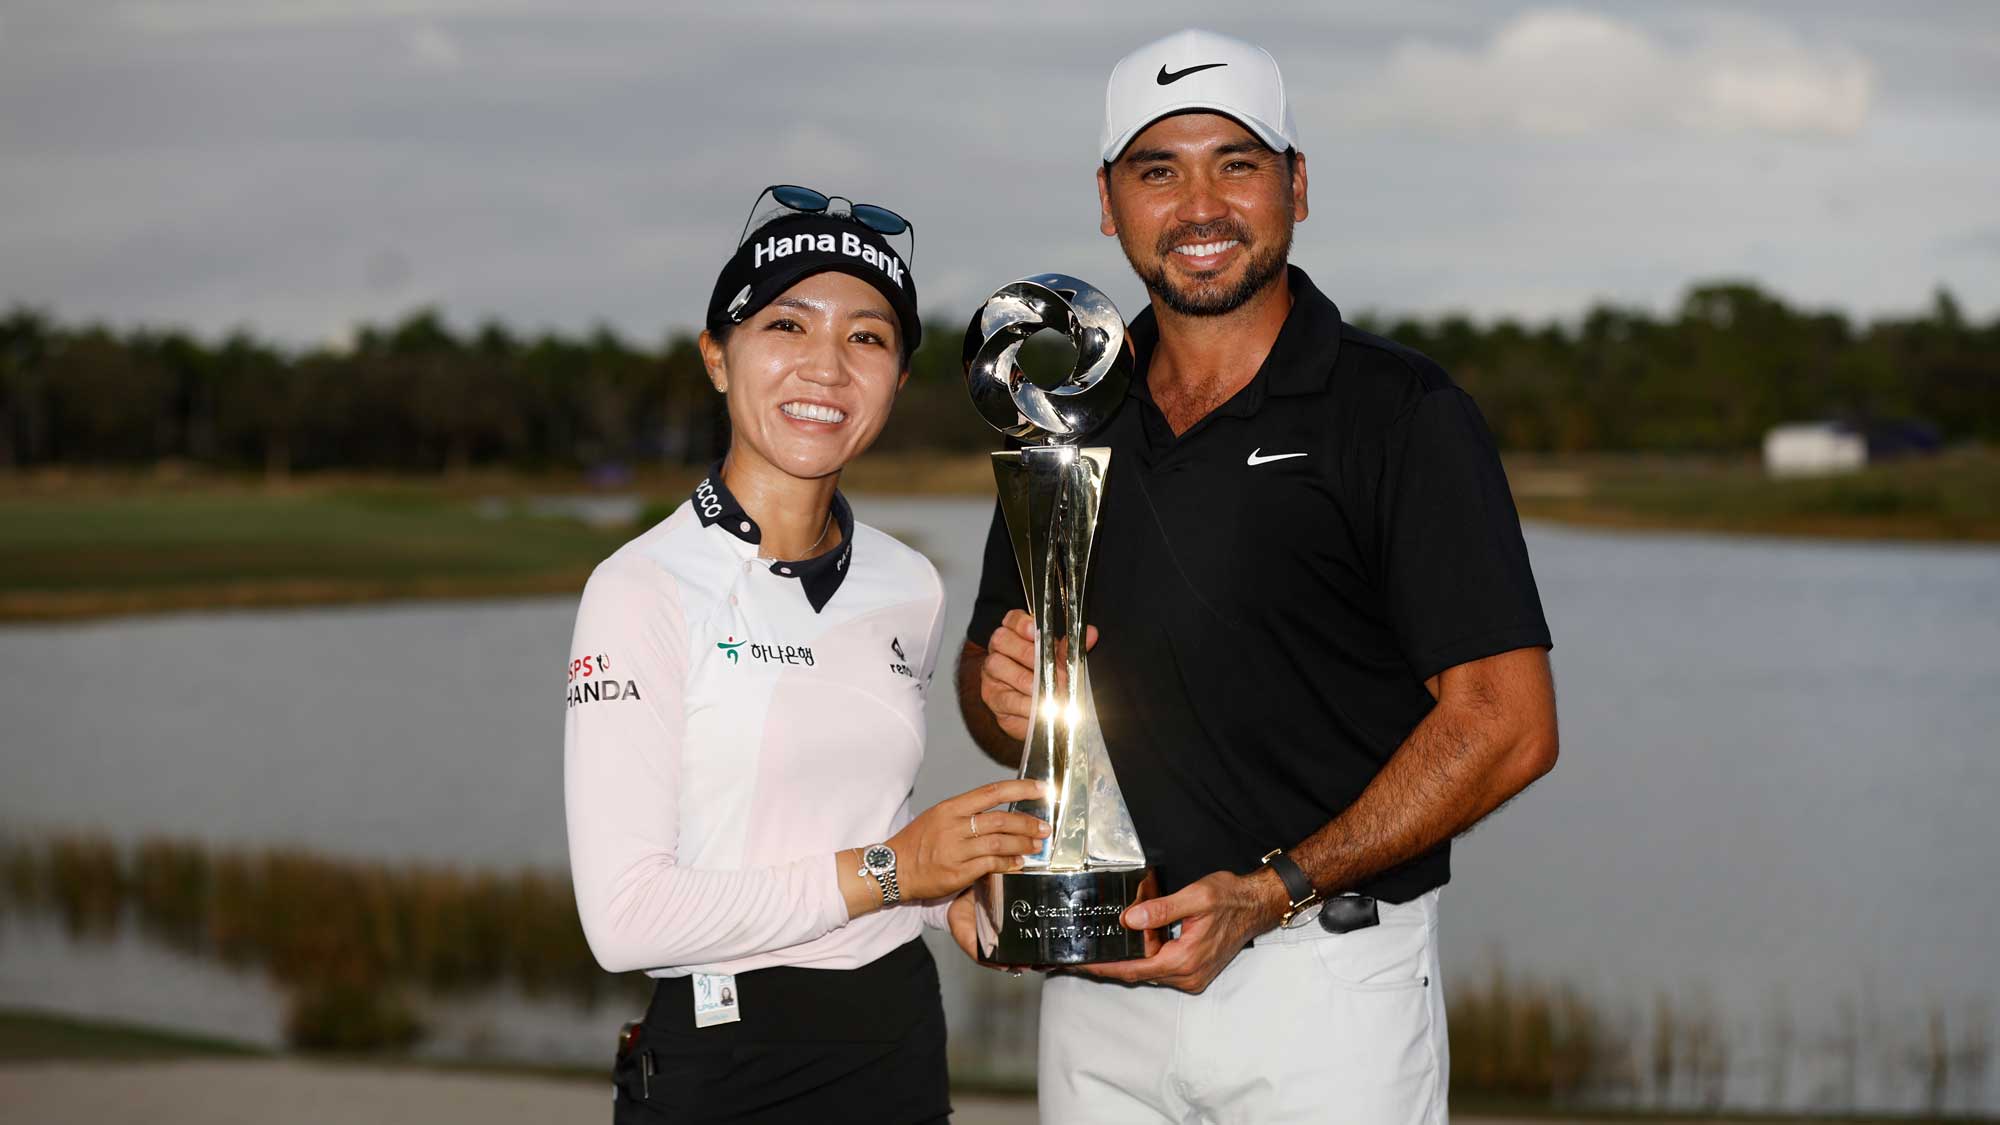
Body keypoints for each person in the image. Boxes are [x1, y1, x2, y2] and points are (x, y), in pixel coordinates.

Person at [956, 30, 1561, 1123]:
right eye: (1157, 170)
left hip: (1323, 983)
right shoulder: (1068, 416)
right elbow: (1000, 705)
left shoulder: (1398, 414)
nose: (1199, 205)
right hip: (1101, 980)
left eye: (1234, 162)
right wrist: (1000, 694)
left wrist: (1274, 889)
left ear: (1295, 183)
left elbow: (1505, 724)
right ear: (1107, 201)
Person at [566, 184, 1050, 1125]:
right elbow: (624, 919)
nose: (825, 367)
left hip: (899, 1038)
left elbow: (863, 831)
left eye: (867, 337)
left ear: (898, 382)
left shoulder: (911, 582)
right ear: (718, 357)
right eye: (787, 324)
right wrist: (895, 870)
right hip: (723, 1060)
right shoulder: (640, 587)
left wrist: (954, 898)